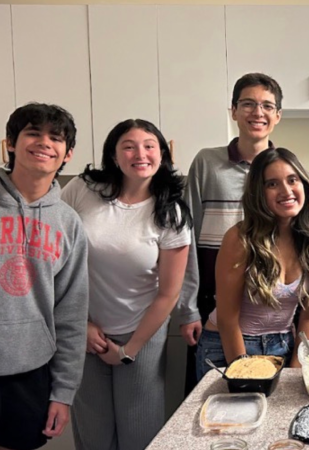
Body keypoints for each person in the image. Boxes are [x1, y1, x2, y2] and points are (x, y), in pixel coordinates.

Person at [0, 103, 89, 450]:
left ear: (68, 154)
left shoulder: (68, 223)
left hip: (32, 373)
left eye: (56, 138)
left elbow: (71, 312)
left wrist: (64, 392)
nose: (44, 143)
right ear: (10, 142)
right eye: (33, 133)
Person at [62, 119, 191, 450]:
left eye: (149, 145)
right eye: (129, 146)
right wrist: (82, 324)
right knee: (93, 435)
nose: (140, 153)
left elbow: (168, 293)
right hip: (84, 330)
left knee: (141, 435)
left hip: (142, 332)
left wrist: (129, 351)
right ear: (113, 154)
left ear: (163, 153)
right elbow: (55, 262)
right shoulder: (81, 189)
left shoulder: (171, 212)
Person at [183, 72, 283, 392]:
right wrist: (187, 308)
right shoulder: (207, 163)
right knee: (210, 400)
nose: (258, 112)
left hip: (265, 310)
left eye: (267, 106)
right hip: (210, 306)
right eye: (248, 104)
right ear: (233, 111)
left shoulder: (283, 170)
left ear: (277, 116)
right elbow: (185, 236)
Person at [195, 148, 309, 378]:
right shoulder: (239, 239)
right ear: (258, 193)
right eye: (272, 184)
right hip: (226, 346)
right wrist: (244, 375)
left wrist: (295, 370)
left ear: (304, 185)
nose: (286, 191)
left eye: (292, 180)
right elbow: (228, 321)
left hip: (283, 346)